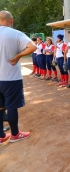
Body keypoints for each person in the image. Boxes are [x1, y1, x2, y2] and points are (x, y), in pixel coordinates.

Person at [0, 10, 36, 145]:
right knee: (12, 106)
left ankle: (1, 135)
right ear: (12, 20)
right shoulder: (15, 34)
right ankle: (15, 134)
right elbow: (32, 46)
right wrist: (18, 56)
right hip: (10, 78)